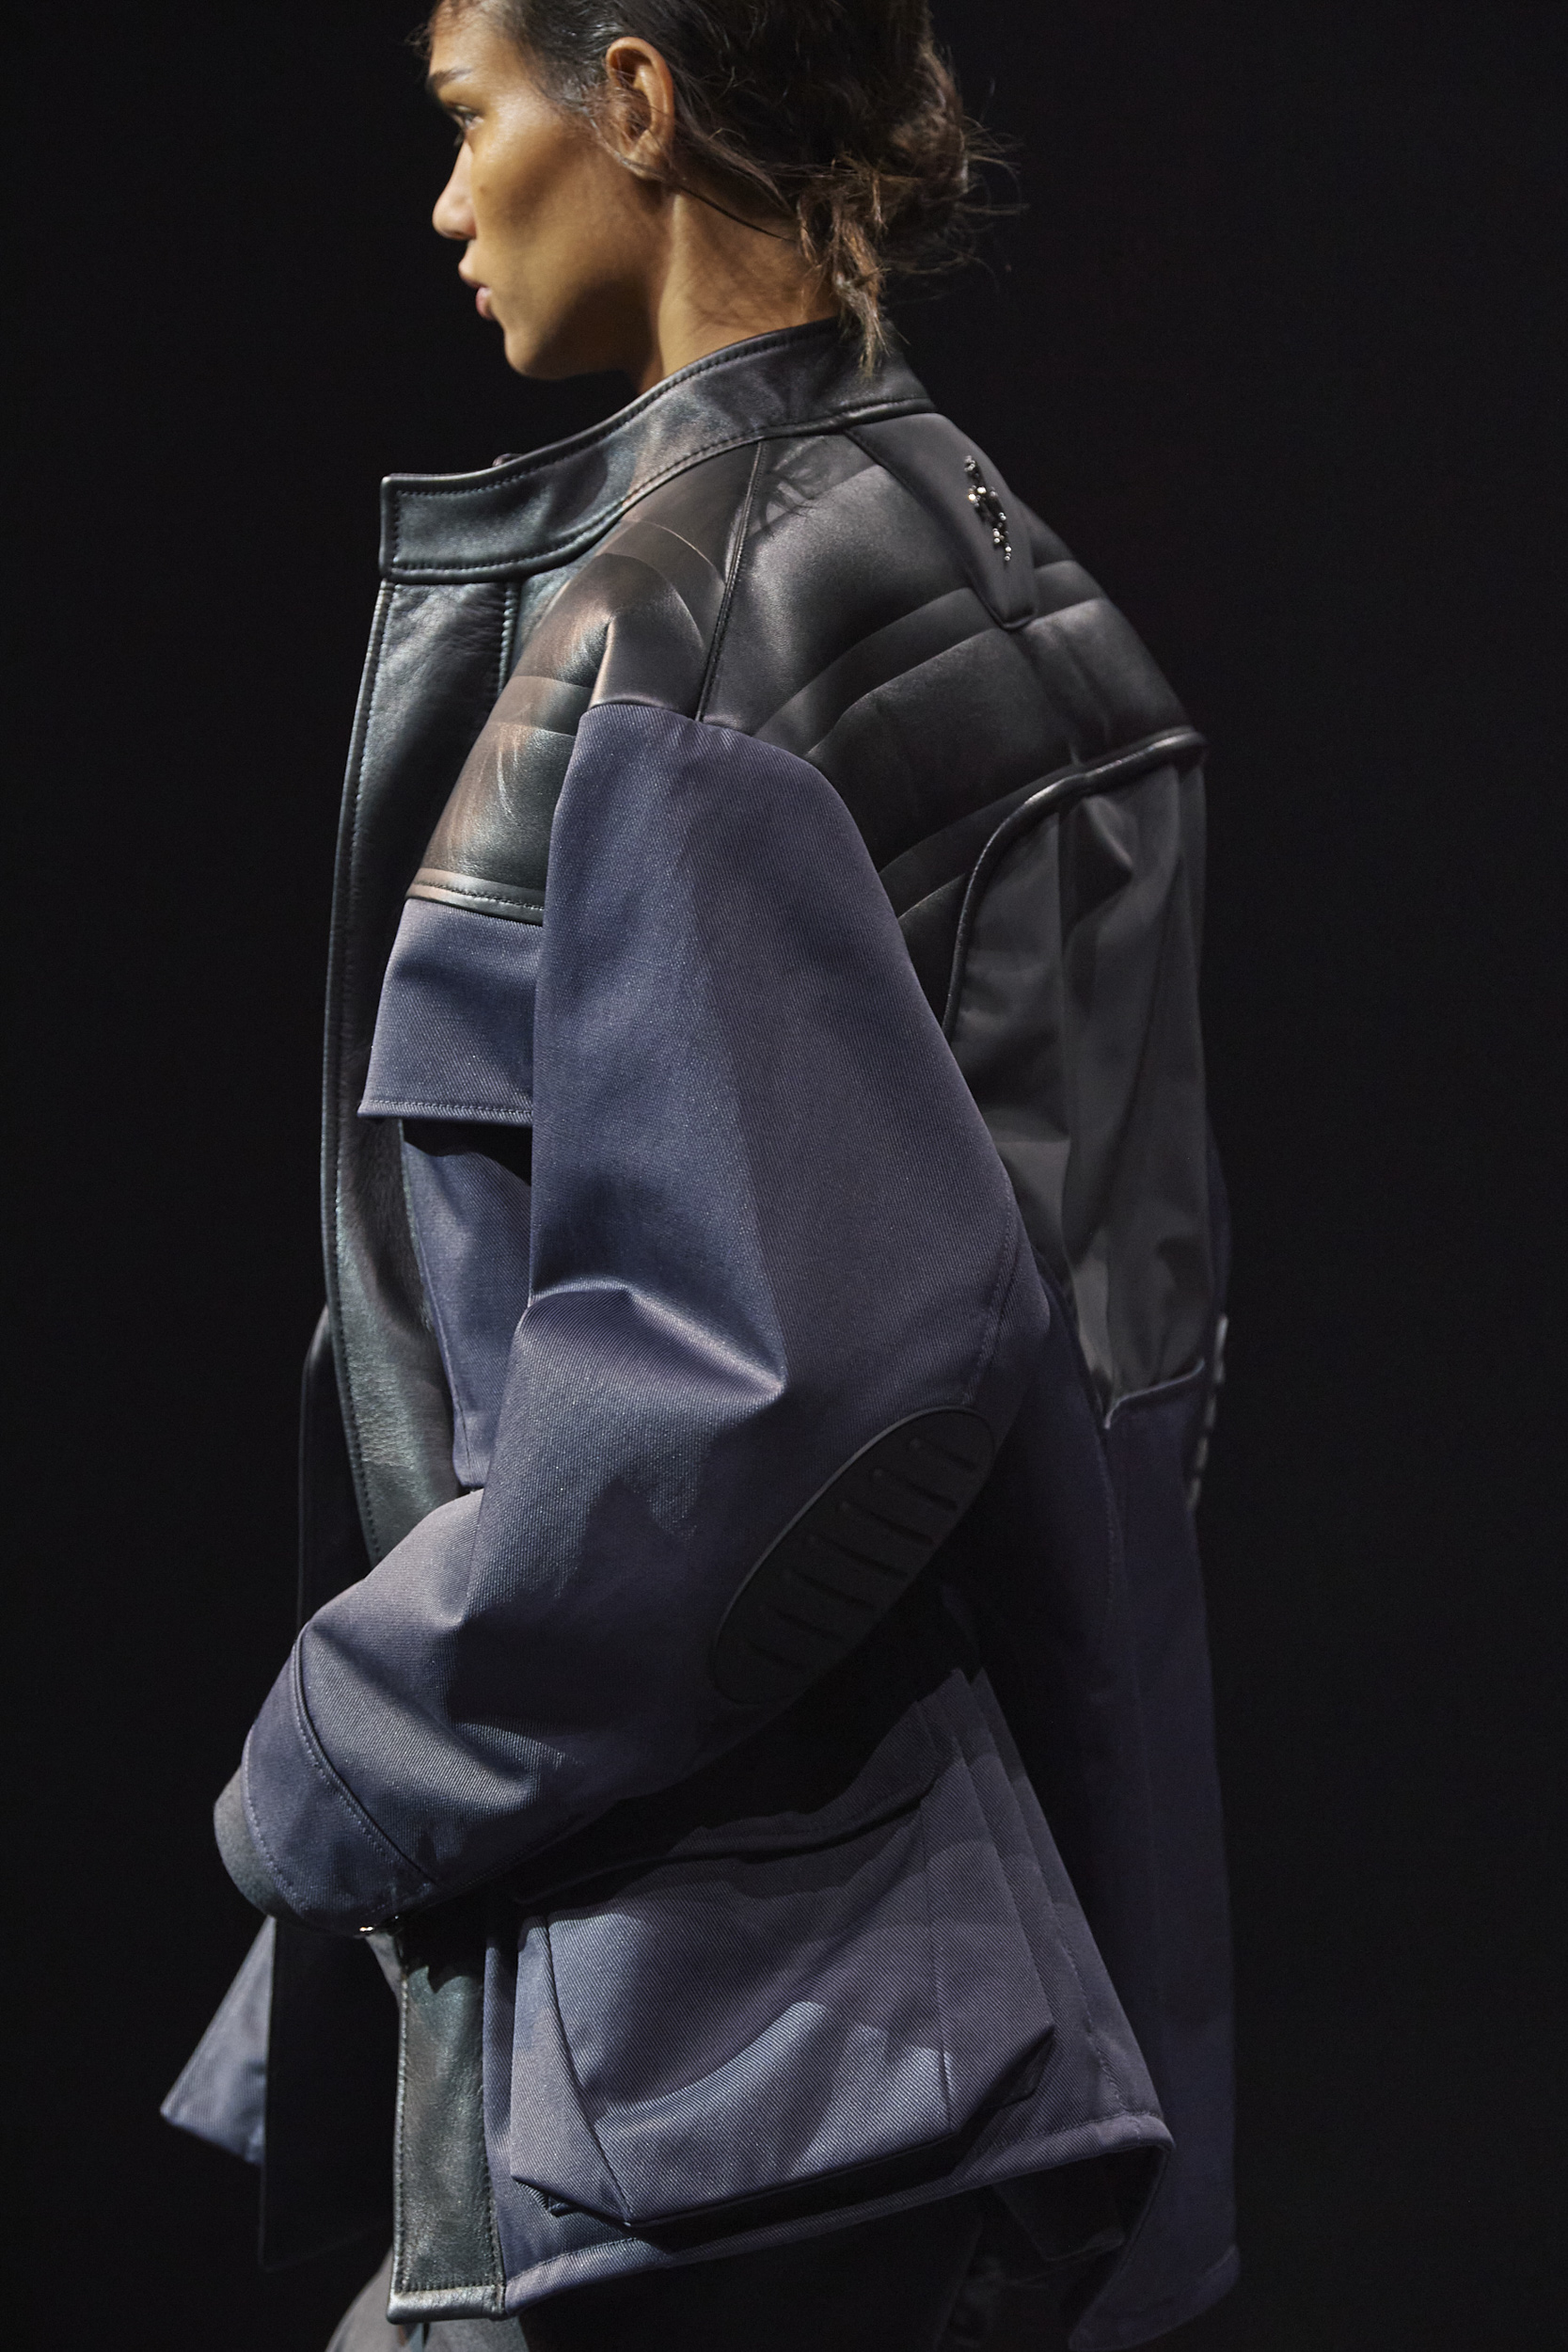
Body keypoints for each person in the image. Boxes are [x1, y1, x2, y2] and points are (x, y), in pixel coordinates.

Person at [162, 4, 1236, 2345]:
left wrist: (333, 1760)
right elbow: (1111, 1384)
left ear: (634, 99)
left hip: (708, 2051)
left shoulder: (672, 647)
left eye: (471, 117)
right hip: (979, 2014)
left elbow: (756, 1402)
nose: (448, 198)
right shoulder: (1018, 586)